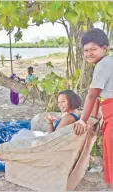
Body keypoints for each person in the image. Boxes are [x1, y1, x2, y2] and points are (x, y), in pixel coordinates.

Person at [73, 28, 113, 190]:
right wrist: (95, 119)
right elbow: (99, 96)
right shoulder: (108, 62)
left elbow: (92, 95)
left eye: (93, 49)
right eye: (86, 50)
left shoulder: (103, 65)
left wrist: (83, 120)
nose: (89, 53)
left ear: (105, 48)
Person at [11, 90, 81, 141]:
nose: (60, 105)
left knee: (20, 136)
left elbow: (53, 138)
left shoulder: (67, 118)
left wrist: (49, 122)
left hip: (48, 142)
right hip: (50, 138)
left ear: (72, 101)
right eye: (59, 102)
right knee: (21, 134)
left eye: (63, 102)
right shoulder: (72, 113)